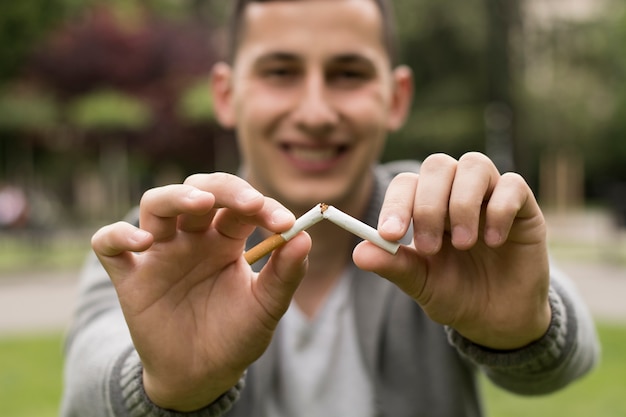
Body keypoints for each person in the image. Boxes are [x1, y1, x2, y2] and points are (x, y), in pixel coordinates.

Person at [60, 1, 600, 416]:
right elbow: (87, 385)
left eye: (348, 74)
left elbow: (567, 361)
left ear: (396, 96)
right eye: (279, 72)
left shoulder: (443, 218)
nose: (316, 112)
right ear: (226, 94)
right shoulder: (158, 241)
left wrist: (521, 332)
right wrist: (166, 386)